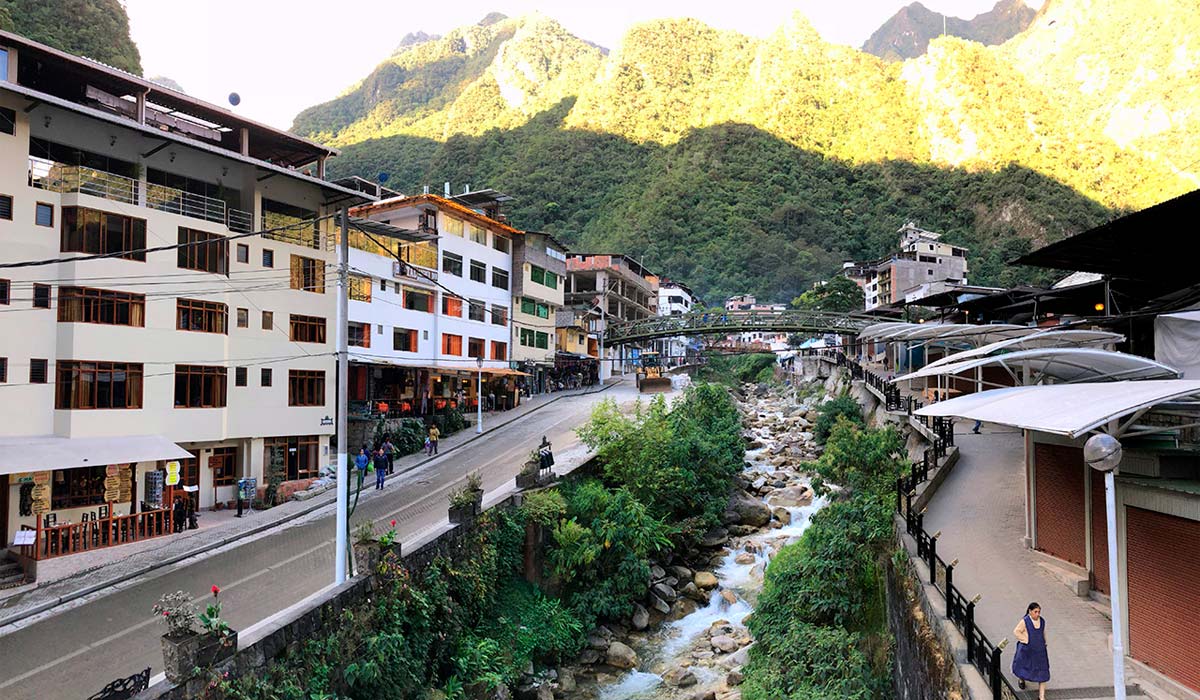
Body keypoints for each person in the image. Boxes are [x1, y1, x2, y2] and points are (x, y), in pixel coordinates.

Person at [1012, 602, 1050, 697]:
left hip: (1039, 651)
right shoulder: (1025, 621)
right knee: (1024, 666)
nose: (1037, 614)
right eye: (1035, 612)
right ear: (1030, 611)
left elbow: (1043, 632)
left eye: (1039, 612)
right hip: (1027, 650)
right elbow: (1016, 631)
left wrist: (1045, 642)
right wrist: (1026, 640)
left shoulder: (1042, 621)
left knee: (1043, 671)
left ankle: (1041, 697)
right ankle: (1022, 679)